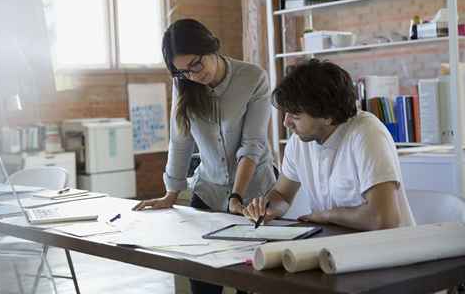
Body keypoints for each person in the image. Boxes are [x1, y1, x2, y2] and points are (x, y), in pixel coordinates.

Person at [134, 18, 276, 294]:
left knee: (251, 280)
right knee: (203, 282)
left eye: (196, 64)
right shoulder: (184, 83)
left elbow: (253, 144)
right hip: (207, 192)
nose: (194, 75)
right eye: (183, 71)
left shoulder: (253, 77)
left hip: (254, 195)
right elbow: (180, 139)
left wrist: (237, 197)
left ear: (210, 46)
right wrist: (171, 194)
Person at [244, 59, 415, 231]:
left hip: (386, 251)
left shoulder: (367, 134)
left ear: (328, 116)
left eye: (295, 115)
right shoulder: (299, 140)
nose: (286, 123)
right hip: (335, 246)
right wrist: (267, 208)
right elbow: (282, 194)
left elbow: (384, 219)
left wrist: (326, 215)